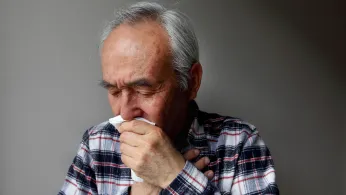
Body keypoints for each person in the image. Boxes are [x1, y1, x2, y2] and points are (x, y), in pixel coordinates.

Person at [58, 2, 279, 195]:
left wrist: (174, 175)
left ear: (192, 82)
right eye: (114, 91)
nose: (124, 113)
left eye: (144, 90)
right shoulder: (97, 144)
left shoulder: (239, 143)